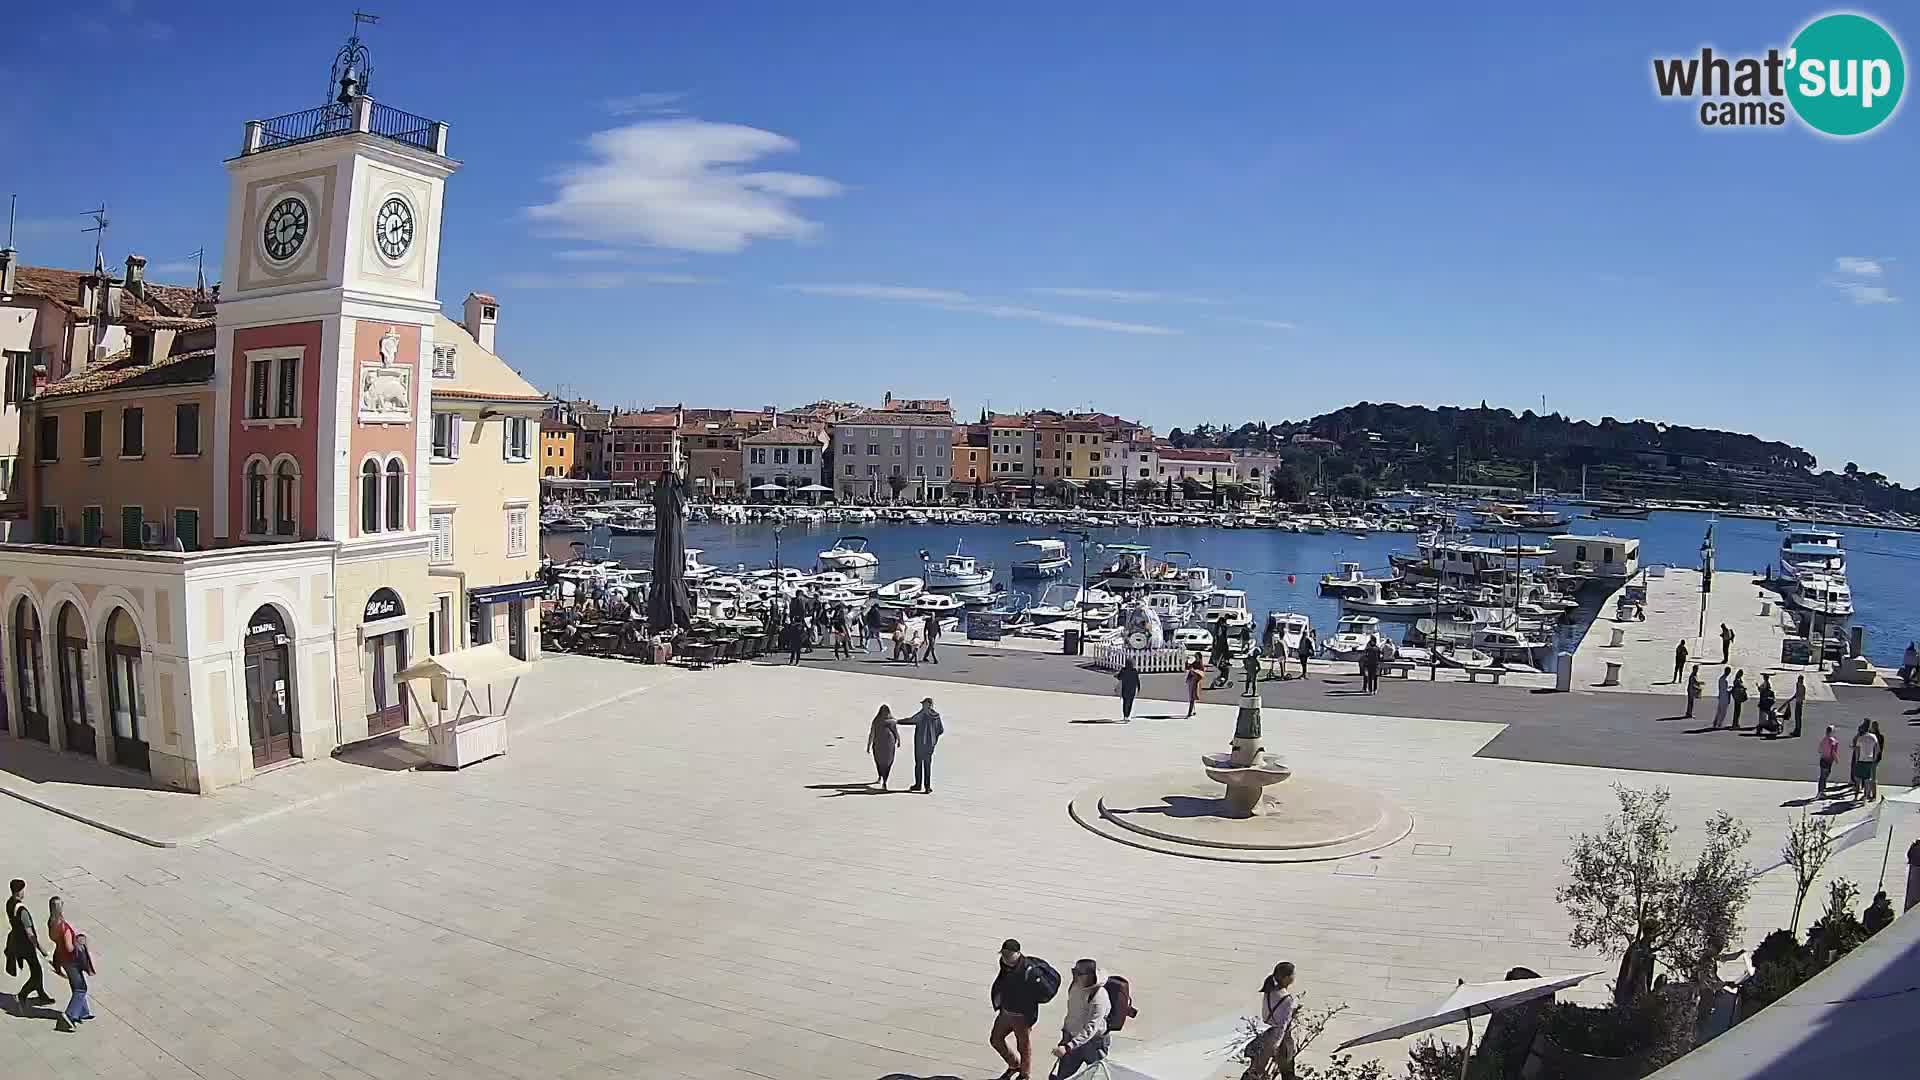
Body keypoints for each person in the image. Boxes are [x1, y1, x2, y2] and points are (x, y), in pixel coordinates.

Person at [990, 939, 1049, 1080]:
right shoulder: (1004, 963)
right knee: (996, 1040)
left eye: (1009, 954)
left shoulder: (1029, 970)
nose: (1005, 957)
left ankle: (1024, 1075)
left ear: (1018, 953)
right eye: (1003, 954)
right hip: (1005, 1012)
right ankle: (1014, 1064)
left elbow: (1041, 992)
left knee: (1023, 1047)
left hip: (1022, 1016)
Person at [1049, 958, 1110, 1080]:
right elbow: (1072, 1013)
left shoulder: (1099, 996)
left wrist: (1068, 1046)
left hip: (1093, 1045)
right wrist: (1066, 1033)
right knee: (1063, 1076)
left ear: (1089, 975)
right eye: (1074, 971)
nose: (1075, 975)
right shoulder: (1075, 986)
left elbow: (1092, 1027)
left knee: (1098, 1076)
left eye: (1078, 973)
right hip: (1072, 1039)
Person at [7, 879, 52, 1012]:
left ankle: (42, 994)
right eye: (23, 890)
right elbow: (30, 933)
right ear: (19, 891)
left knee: (35, 969)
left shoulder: (9, 903)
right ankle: (22, 995)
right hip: (25, 945)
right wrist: (41, 949)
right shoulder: (22, 911)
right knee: (37, 972)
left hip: (16, 942)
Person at [1252, 962, 1299, 1080]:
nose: (1294, 977)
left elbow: (1265, 1014)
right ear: (1286, 978)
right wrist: (1276, 1045)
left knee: (1257, 1071)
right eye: (1293, 974)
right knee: (1288, 1074)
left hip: (1267, 1034)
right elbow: (1283, 1025)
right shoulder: (1287, 999)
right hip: (1281, 1040)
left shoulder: (1268, 992)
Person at [903, 696, 944, 794]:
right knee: (927, 765)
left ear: (929, 705)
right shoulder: (936, 716)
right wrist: (933, 739)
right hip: (930, 745)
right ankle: (927, 787)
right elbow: (940, 730)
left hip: (920, 743)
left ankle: (918, 785)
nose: (922, 706)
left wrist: (898, 721)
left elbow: (912, 720)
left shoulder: (922, 714)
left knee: (919, 764)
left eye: (924, 704)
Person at [866, 705, 900, 790]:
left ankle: (884, 780)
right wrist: (868, 745)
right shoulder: (878, 721)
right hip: (881, 745)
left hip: (888, 745)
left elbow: (895, 731)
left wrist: (899, 740)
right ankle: (881, 776)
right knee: (881, 762)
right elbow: (872, 733)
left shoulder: (890, 721)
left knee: (886, 762)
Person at [1851, 719, 1878, 801]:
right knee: (1867, 780)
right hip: (1869, 760)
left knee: (1858, 779)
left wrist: (1856, 761)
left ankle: (1855, 797)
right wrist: (1874, 758)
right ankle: (1865, 797)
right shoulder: (1873, 737)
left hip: (1861, 760)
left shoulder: (1860, 738)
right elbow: (1876, 748)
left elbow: (1857, 751)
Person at [1185, 654, 1205, 718]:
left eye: (1196, 657)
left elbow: (1201, 674)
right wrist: (1186, 661)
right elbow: (1187, 668)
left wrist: (1194, 672)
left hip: (1196, 683)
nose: (1195, 658)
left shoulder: (1200, 665)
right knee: (1191, 697)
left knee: (1192, 698)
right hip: (1191, 681)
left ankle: (1189, 712)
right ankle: (1192, 711)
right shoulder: (1194, 663)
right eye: (1195, 657)